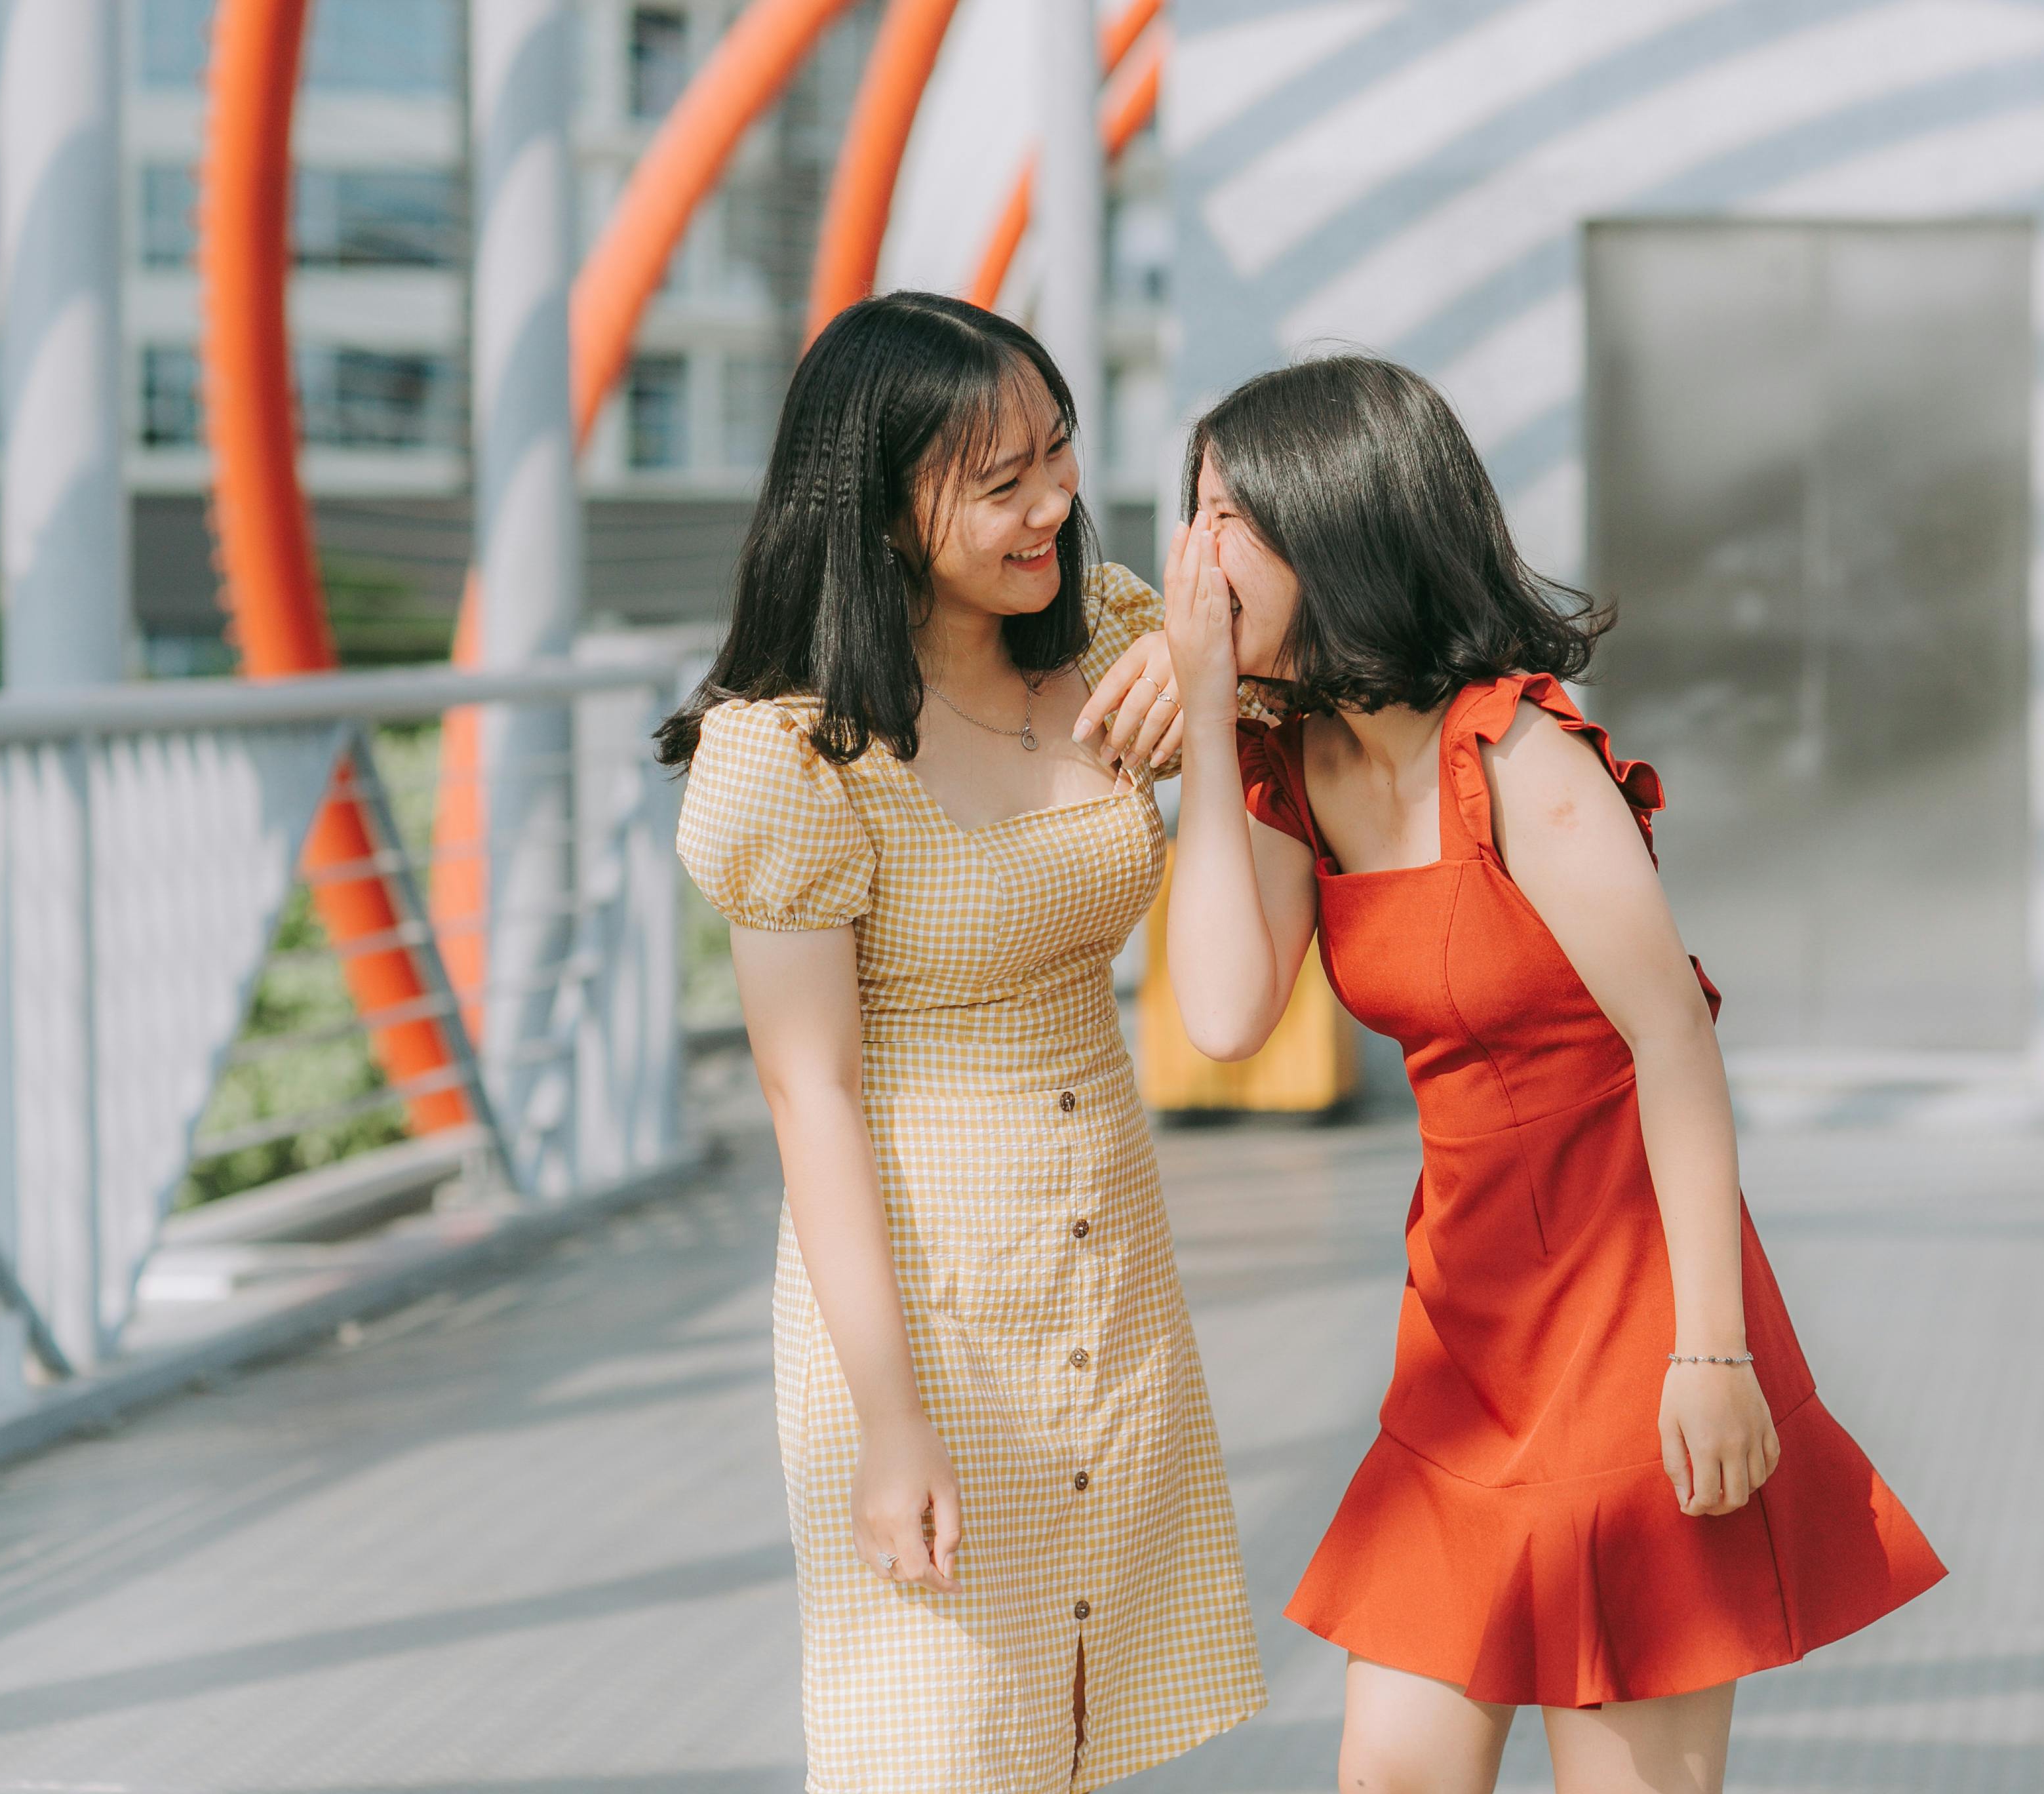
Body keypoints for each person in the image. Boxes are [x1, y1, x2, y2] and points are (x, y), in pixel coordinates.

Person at [1133, 355, 1944, 1793]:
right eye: (1192, 511)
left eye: (1224, 515)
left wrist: (1713, 1353)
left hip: (1637, 1319)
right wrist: (1206, 726)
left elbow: (1674, 1046)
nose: (1190, 556)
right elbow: (1224, 1009)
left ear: (1337, 527)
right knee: (1392, 1774)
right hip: (1468, 1330)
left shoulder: (1518, 756)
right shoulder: (1284, 757)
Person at [661, 292, 1263, 1791]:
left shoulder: (1115, 635)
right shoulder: (796, 750)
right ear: (876, 508)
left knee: (1076, 1723)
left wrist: (1220, 687)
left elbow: (1308, 669)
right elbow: (810, 1092)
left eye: (1058, 454)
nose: (1055, 503)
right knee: (929, 1738)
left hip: (1103, 1264)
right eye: (1002, 484)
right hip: (923, 1304)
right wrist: (887, 1421)